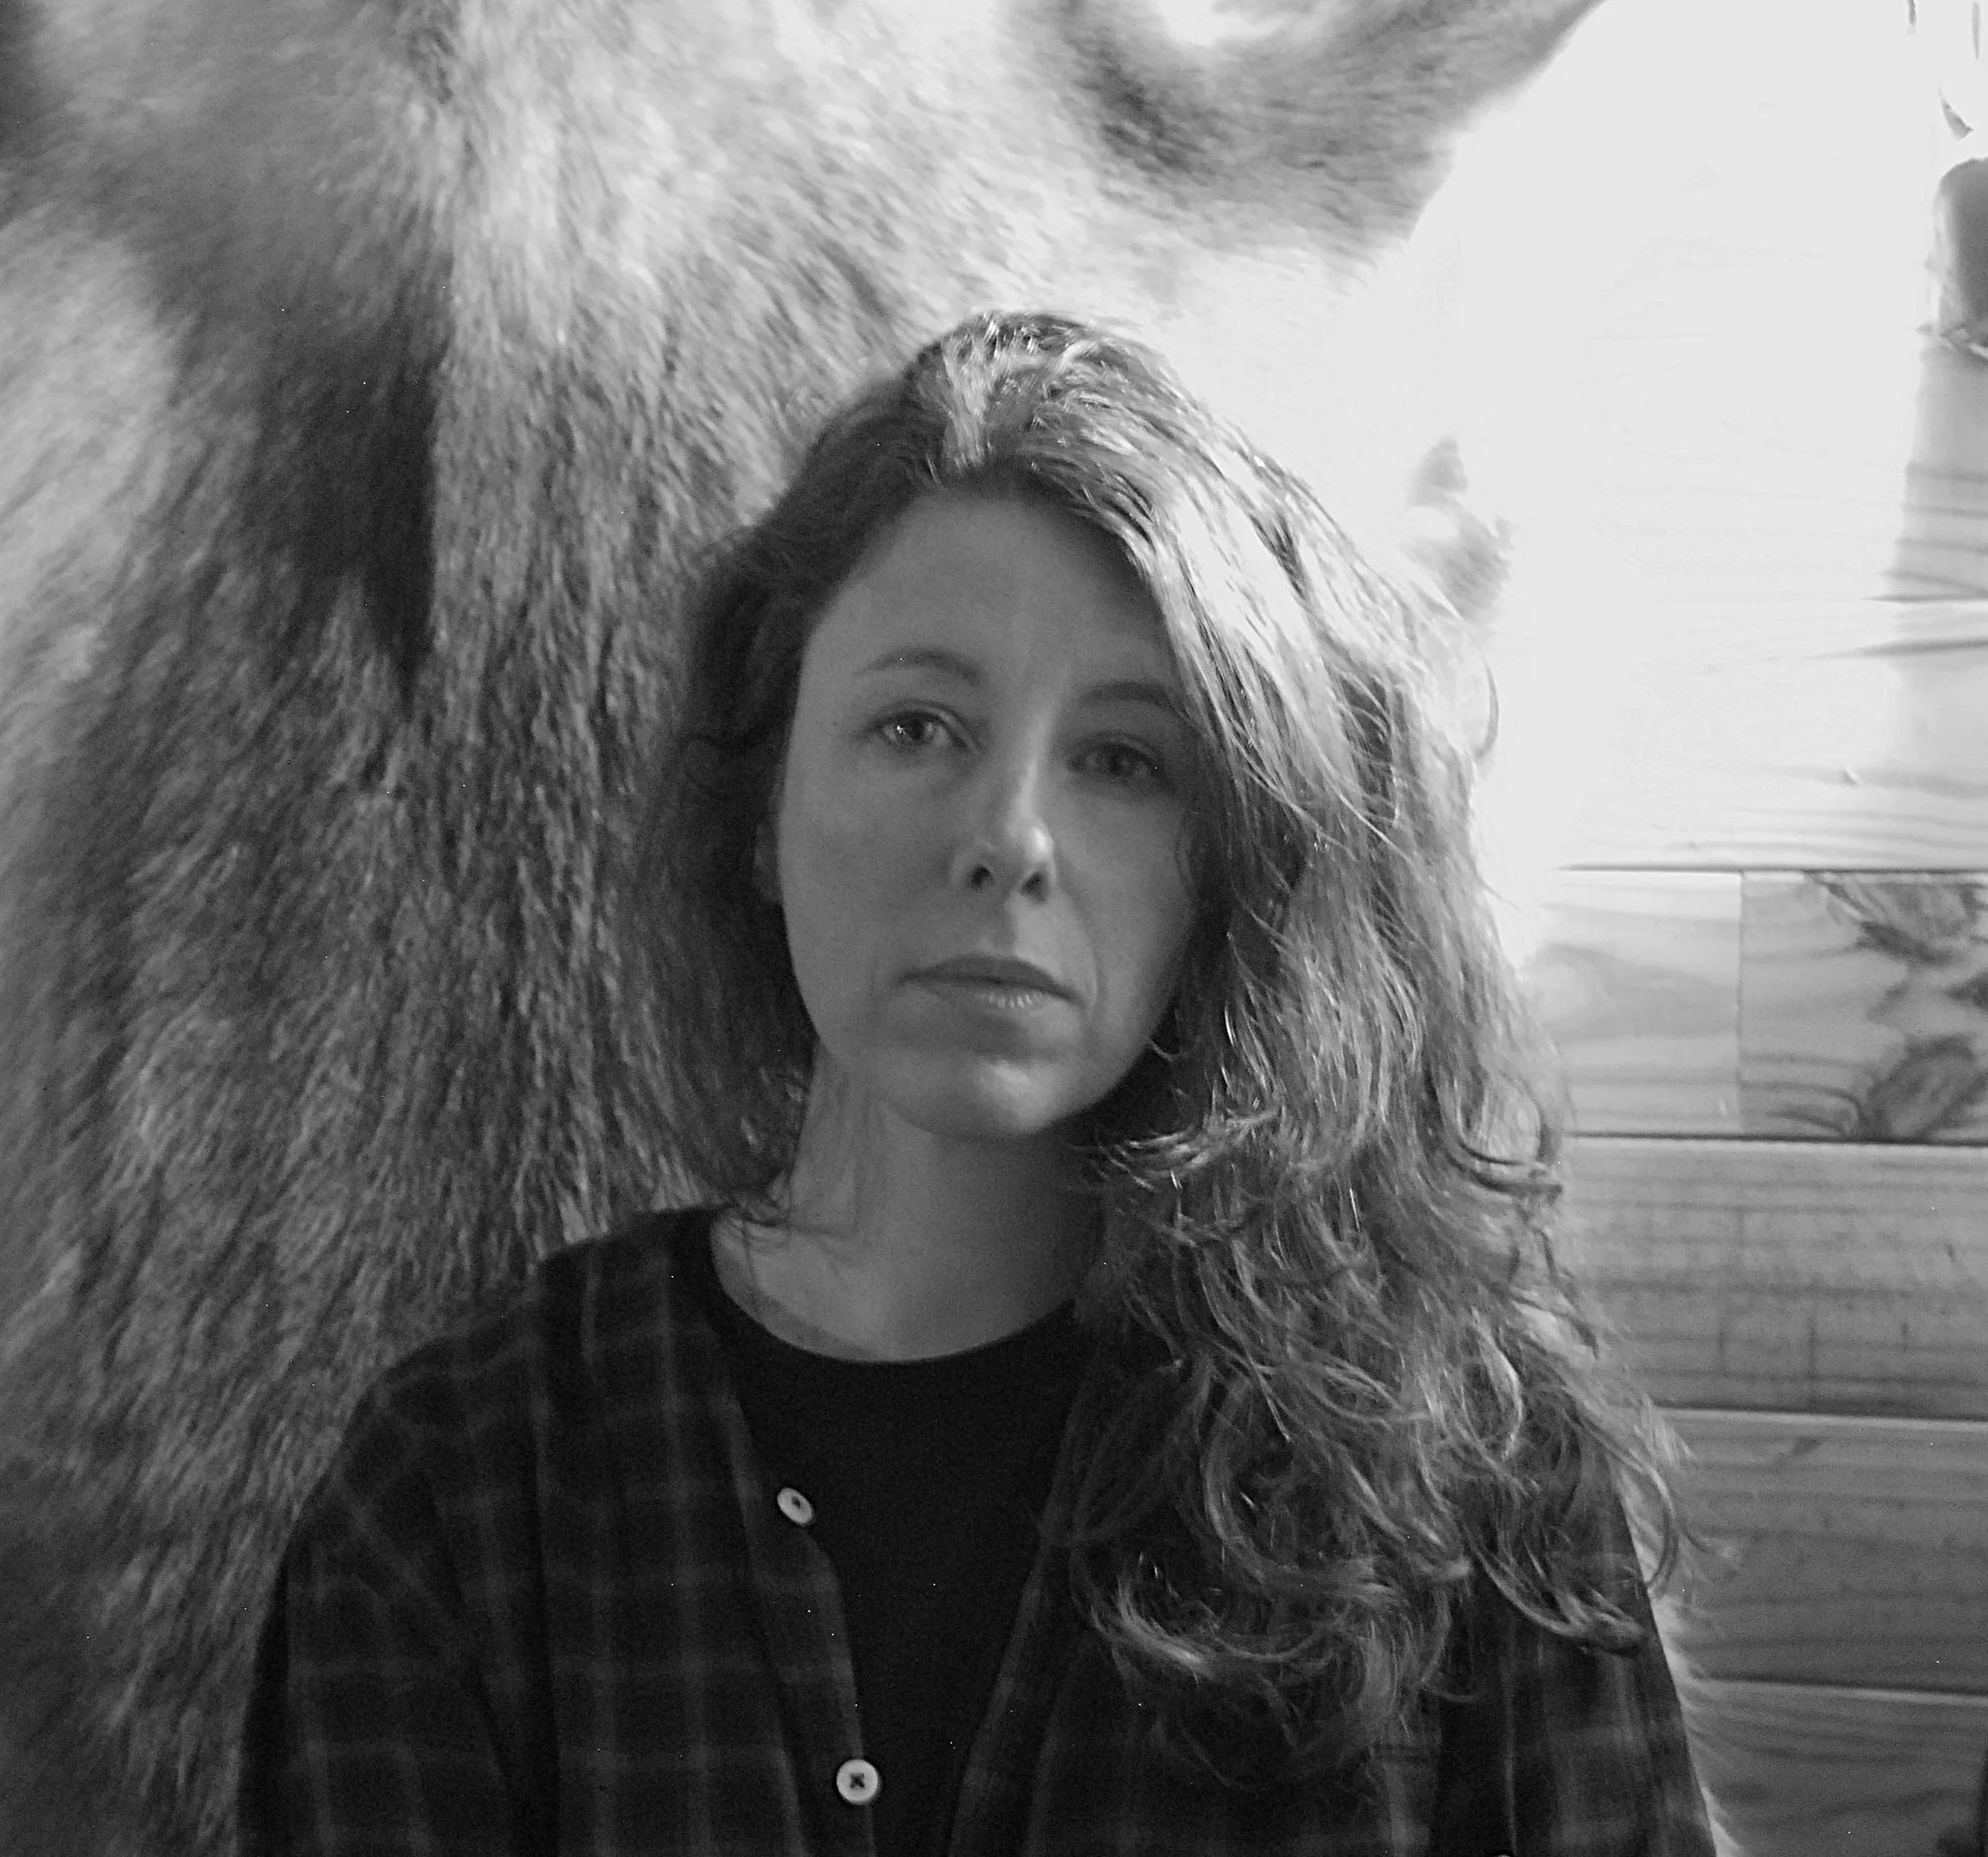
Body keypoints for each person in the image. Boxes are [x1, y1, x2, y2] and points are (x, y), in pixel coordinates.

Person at [242, 310, 1715, 1855]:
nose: (1010, 835)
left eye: (1126, 760)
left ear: (1238, 860)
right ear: (760, 810)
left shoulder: (1464, 1464)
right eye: (916, 726)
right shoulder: (471, 1487)